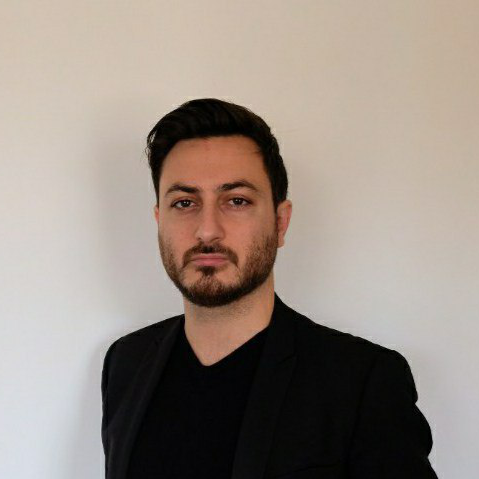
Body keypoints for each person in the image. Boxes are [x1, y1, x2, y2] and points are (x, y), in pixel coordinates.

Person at [101, 98, 438, 479]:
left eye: (237, 201)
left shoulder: (362, 382)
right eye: (184, 203)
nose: (207, 230)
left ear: (280, 222)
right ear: (159, 220)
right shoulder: (125, 363)